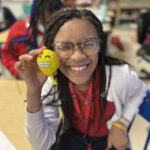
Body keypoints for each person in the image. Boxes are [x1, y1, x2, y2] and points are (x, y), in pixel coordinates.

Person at [15, 7, 147, 150]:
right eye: (64, 46)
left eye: (89, 44)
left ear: (99, 44)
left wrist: (121, 124)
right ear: (50, 51)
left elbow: (139, 93)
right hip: (74, 136)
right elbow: (41, 146)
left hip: (108, 137)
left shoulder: (120, 76)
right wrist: (34, 91)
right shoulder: (52, 82)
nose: (78, 56)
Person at [1, 0, 63, 79]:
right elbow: (6, 56)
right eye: (48, 18)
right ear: (36, 14)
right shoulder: (18, 29)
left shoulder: (64, 32)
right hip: (25, 80)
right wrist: (19, 73)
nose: (53, 22)